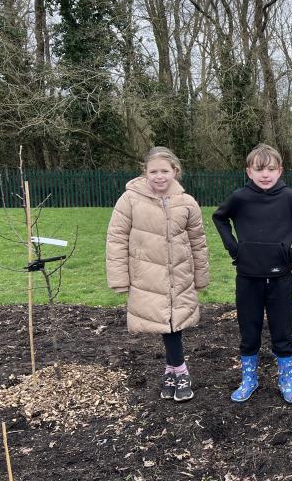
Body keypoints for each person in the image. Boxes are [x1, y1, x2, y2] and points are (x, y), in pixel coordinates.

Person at [212, 144, 292, 404]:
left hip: (280, 277)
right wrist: (235, 249)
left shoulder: (289, 197)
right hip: (248, 276)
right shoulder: (240, 198)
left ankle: (286, 379)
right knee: (249, 330)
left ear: (280, 170)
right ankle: (249, 378)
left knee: (282, 330)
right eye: (259, 169)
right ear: (249, 171)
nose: (265, 174)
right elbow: (219, 218)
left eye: (271, 169)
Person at [106, 146, 210, 402]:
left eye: (165, 170)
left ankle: (173, 370)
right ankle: (179, 369)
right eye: (153, 171)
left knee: (173, 323)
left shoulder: (187, 202)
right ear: (145, 172)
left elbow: (198, 241)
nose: (159, 176)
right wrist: (119, 279)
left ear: (175, 171)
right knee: (167, 324)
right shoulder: (129, 200)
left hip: (179, 275)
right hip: (147, 275)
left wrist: (201, 276)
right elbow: (116, 238)